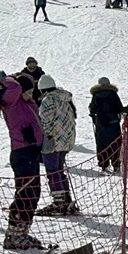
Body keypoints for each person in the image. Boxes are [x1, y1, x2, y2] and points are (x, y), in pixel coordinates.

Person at [0, 71, 47, 250]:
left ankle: (22, 233)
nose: (31, 93)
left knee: (34, 194)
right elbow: (15, 86)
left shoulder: (28, 103)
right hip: (22, 153)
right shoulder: (12, 102)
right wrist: (6, 78)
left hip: (32, 152)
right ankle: (13, 236)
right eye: (29, 90)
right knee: (25, 195)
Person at [36, 74, 79, 215]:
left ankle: (59, 202)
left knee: (53, 172)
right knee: (59, 170)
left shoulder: (48, 100)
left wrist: (45, 136)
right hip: (66, 140)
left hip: (53, 141)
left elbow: (45, 122)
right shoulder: (65, 98)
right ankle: (66, 198)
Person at [89, 77, 128, 172]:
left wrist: (92, 113)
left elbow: (93, 110)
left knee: (101, 143)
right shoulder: (113, 93)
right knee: (116, 143)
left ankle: (104, 164)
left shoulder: (96, 94)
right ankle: (116, 164)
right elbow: (119, 108)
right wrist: (126, 109)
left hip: (100, 124)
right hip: (113, 123)